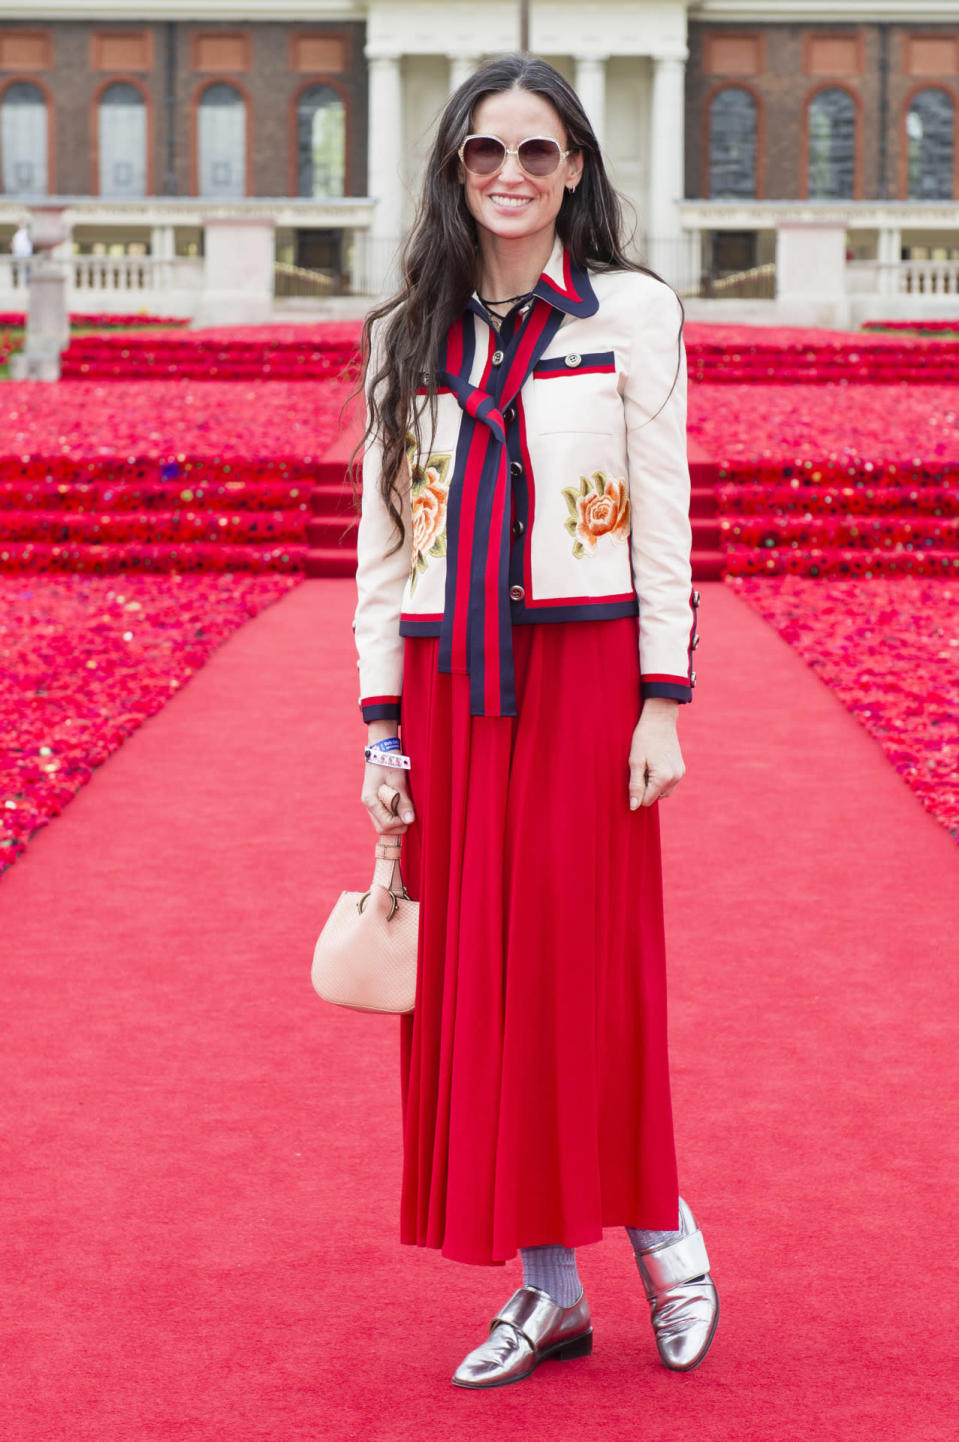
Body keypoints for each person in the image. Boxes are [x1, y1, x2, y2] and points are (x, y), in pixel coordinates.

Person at [352, 53, 718, 1389]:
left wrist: (664, 700)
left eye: (539, 154)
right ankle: (548, 1287)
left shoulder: (631, 312)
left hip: (583, 683)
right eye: (486, 153)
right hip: (455, 694)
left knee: (592, 967)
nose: (512, 176)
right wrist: (380, 729)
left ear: (576, 169)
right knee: (482, 989)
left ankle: (665, 1234)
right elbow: (386, 554)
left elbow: (666, 524)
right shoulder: (415, 334)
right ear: (455, 167)